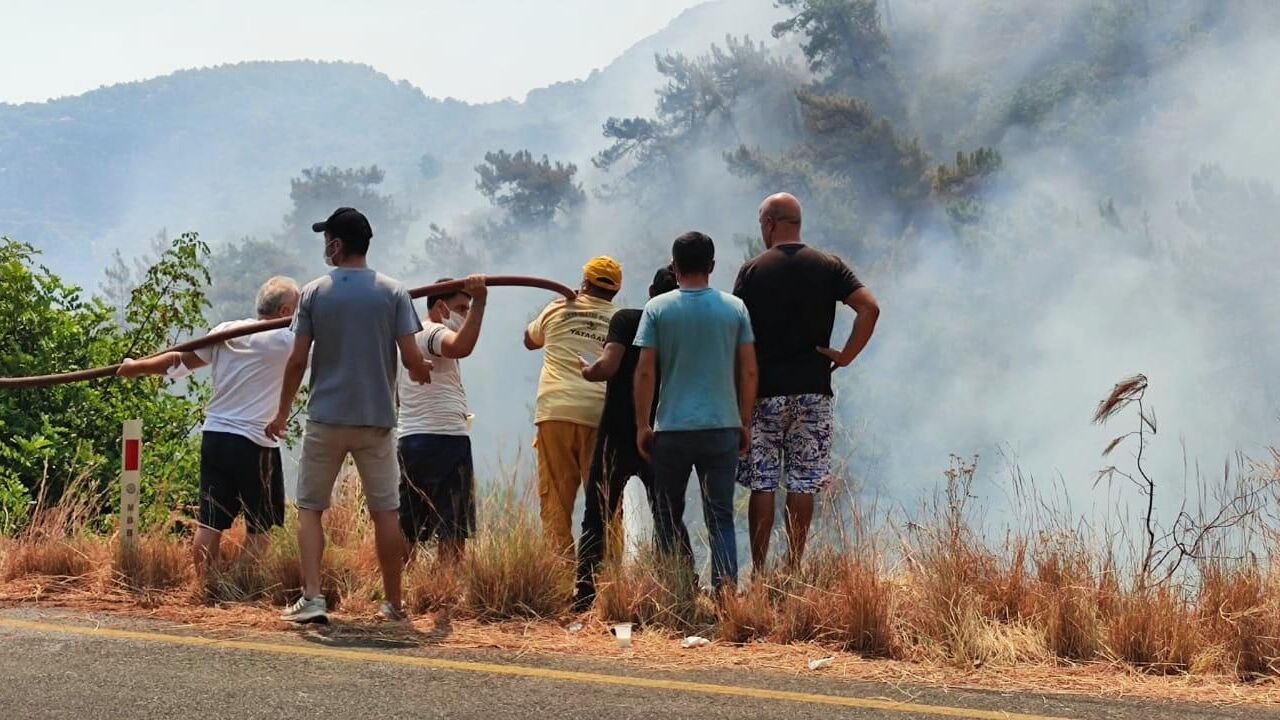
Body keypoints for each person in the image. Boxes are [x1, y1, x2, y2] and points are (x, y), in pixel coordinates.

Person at [265, 206, 433, 624]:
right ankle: (394, 604)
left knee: (310, 509)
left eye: (327, 240)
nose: (325, 246)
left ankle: (313, 598)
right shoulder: (394, 292)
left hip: (326, 418)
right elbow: (412, 358)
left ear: (336, 245)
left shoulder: (314, 293)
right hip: (377, 420)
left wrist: (282, 411)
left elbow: (297, 360)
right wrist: (420, 369)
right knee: (386, 512)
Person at [733, 192, 880, 575]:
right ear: (797, 222)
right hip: (814, 391)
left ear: (769, 224)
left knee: (762, 483)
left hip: (763, 391)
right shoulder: (829, 266)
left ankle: (761, 572)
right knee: (804, 481)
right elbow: (869, 307)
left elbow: (735, 329)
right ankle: (794, 567)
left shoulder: (753, 270)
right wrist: (845, 355)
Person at [117, 276, 301, 580]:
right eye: (297, 310)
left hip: (215, 437)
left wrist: (138, 367)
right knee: (262, 526)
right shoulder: (287, 342)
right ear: (284, 311)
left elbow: (180, 361)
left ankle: (206, 584)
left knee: (210, 522)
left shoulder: (226, 331)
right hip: (255, 442)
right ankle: (238, 585)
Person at [634, 232, 757, 594]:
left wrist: (643, 423)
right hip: (722, 427)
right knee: (720, 515)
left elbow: (644, 371)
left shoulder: (657, 309)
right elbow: (749, 369)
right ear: (712, 267)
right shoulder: (735, 308)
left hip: (672, 428)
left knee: (668, 512)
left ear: (674, 267)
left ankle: (678, 591)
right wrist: (745, 421)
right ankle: (725, 594)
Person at [574, 265, 678, 609]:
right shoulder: (677, 327)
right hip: (659, 432)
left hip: (616, 432)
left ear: (650, 292)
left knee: (598, 514)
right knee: (666, 513)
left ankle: (585, 593)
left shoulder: (626, 319)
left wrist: (588, 370)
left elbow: (608, 365)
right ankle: (681, 587)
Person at [523, 257, 621, 556]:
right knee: (606, 499)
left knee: (555, 500)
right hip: (599, 414)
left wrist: (560, 306)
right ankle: (607, 577)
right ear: (615, 291)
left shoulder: (557, 309)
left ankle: (561, 575)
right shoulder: (620, 319)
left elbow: (529, 340)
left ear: (585, 282)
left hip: (556, 411)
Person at [397, 275, 487, 564]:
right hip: (443, 438)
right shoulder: (431, 331)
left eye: (468, 307)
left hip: (412, 438)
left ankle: (397, 586)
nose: (465, 314)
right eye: (461, 308)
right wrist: (481, 304)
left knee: (410, 522)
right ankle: (445, 590)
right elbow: (460, 346)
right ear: (439, 307)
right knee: (452, 525)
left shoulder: (410, 339)